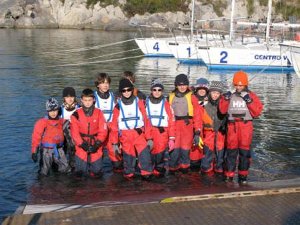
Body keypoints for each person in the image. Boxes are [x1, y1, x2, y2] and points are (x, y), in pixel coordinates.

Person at [219, 71, 263, 184]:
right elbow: (222, 110)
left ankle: (243, 177)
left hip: (245, 126)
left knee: (244, 153)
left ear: (245, 85)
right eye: (236, 85)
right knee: (231, 153)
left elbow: (257, 112)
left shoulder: (251, 96)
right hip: (232, 126)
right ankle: (229, 176)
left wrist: (249, 100)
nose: (238, 87)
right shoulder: (229, 95)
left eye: (241, 85)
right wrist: (226, 98)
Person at [110, 78, 153, 180]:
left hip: (139, 134)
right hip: (125, 136)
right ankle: (129, 179)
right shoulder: (117, 107)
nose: (127, 92)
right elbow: (114, 126)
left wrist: (150, 138)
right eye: (124, 90)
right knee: (128, 160)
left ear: (132, 90)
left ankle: (147, 177)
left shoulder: (140, 103)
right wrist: (115, 143)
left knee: (145, 158)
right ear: (121, 92)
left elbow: (146, 121)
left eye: (129, 90)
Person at [168, 74, 203, 173]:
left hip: (187, 126)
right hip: (174, 126)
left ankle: (184, 171)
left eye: (184, 85)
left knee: (185, 150)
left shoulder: (192, 97)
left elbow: (197, 116)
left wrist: (197, 132)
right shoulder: (170, 97)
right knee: (174, 152)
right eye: (180, 85)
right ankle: (172, 171)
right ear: (176, 85)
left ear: (187, 85)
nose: (182, 87)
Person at [70, 88, 108, 177]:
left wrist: (97, 144)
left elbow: (103, 130)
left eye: (89, 100)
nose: (87, 102)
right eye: (85, 100)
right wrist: (82, 144)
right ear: (81, 100)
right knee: (80, 172)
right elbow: (74, 133)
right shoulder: (76, 114)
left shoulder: (99, 113)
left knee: (97, 172)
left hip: (96, 142)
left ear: (94, 100)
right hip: (81, 144)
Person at [31, 97, 70, 176]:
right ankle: (43, 185)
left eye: (55, 110)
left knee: (66, 169)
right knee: (44, 171)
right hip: (46, 151)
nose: (53, 113)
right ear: (47, 111)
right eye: (51, 111)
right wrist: (34, 152)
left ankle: (63, 186)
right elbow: (36, 137)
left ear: (58, 110)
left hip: (59, 150)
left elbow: (70, 133)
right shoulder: (42, 122)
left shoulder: (62, 121)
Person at [146, 78, 176, 177]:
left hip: (162, 133)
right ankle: (149, 174)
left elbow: (171, 122)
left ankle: (159, 175)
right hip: (149, 132)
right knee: (148, 156)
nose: (157, 92)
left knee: (160, 156)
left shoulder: (166, 104)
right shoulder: (145, 103)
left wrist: (172, 138)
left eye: (159, 90)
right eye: (154, 90)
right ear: (151, 90)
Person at [94, 73, 122, 172]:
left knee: (116, 159)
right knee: (97, 158)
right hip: (98, 131)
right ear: (98, 85)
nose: (105, 85)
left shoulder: (114, 97)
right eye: (102, 83)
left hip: (112, 131)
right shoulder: (92, 98)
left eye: (107, 83)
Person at [201, 81, 227, 176]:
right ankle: (206, 174)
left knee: (220, 157)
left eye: (217, 93)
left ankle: (219, 173)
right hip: (208, 134)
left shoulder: (224, 105)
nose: (215, 95)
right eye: (213, 92)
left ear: (220, 94)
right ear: (210, 93)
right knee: (207, 157)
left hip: (220, 134)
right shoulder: (204, 105)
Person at [190, 78, 209, 171]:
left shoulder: (211, 100)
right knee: (195, 154)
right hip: (195, 130)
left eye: (204, 89)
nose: (202, 91)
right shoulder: (191, 100)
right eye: (200, 89)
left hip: (208, 131)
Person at [61, 87, 80, 170]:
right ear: (64, 98)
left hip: (75, 139)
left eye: (72, 97)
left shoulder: (79, 108)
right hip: (63, 139)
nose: (70, 99)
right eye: (67, 97)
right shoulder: (59, 110)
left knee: (74, 162)